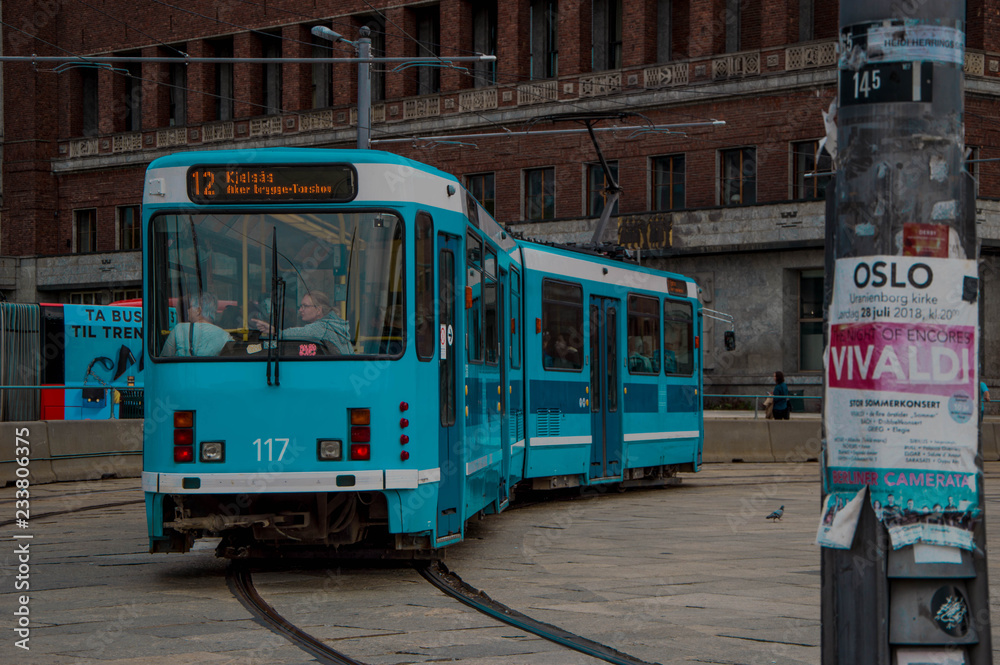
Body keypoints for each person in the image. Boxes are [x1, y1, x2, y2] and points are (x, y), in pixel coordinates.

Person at [252, 290, 353, 354]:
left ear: (318, 310)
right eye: (301, 306)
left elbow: (299, 333)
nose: (300, 310)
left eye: (305, 306)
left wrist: (276, 332)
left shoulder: (323, 328)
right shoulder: (332, 324)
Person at [162, 292, 232, 357]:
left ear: (198, 310)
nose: (188, 310)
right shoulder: (225, 335)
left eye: (190, 307)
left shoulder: (179, 329)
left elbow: (164, 357)